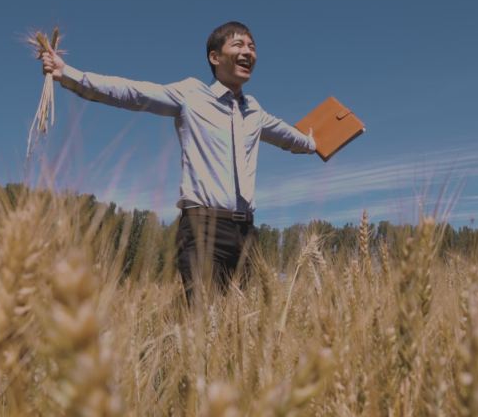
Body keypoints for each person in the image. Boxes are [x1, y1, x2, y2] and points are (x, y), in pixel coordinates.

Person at [40, 21, 317, 302]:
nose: (248, 52)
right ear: (215, 57)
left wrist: (319, 142)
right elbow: (133, 93)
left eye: (252, 47)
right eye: (238, 44)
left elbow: (291, 137)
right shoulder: (192, 95)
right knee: (201, 322)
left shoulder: (254, 110)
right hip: (203, 227)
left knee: (240, 330)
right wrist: (68, 74)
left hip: (246, 233)